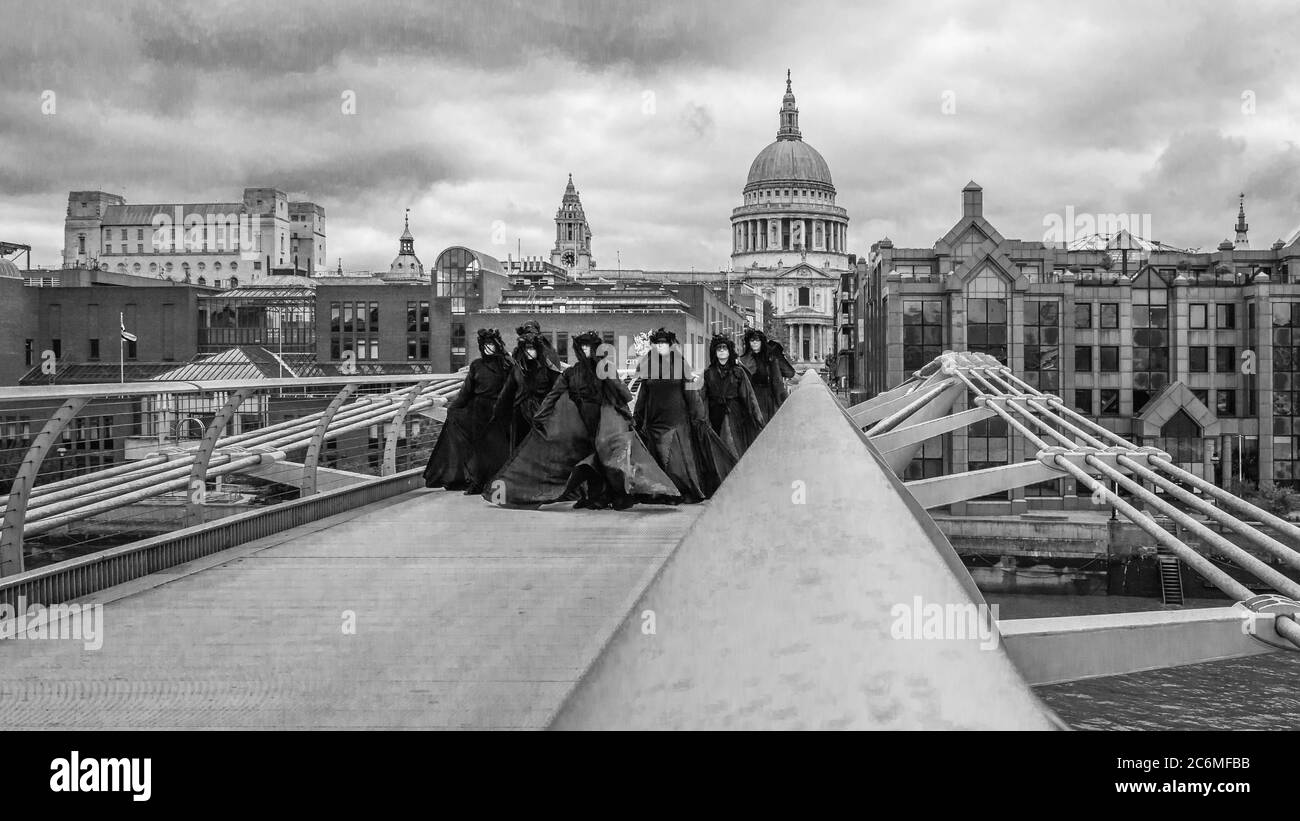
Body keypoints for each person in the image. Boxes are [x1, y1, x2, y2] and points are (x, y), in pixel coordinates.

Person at [484, 330, 679, 509]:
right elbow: (554, 395)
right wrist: (540, 416)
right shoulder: (571, 373)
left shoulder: (604, 368)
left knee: (609, 458)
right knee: (588, 459)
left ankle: (620, 495)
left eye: (589, 346)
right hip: (582, 423)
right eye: (582, 347)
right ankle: (596, 496)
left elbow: (623, 394)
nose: (586, 350)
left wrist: (625, 411)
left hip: (605, 421)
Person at [633, 328, 737, 502]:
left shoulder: (680, 364)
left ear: (670, 345)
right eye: (657, 343)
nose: (660, 347)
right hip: (654, 420)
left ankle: (679, 491)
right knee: (657, 457)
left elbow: (691, 392)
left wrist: (699, 416)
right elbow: (644, 393)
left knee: (674, 460)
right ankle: (661, 492)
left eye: (664, 343)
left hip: (676, 420)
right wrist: (637, 417)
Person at [423, 328, 513, 494]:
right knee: (478, 449)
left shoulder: (506, 364)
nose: (488, 348)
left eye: (492, 344)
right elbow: (466, 392)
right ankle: (476, 483)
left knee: (497, 449)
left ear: (497, 345)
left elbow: (514, 387)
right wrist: (454, 409)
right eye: (485, 345)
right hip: (477, 412)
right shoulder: (476, 365)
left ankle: (495, 483)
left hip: (499, 411)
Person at [496, 330, 563, 452]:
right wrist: (499, 413)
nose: (529, 352)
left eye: (532, 348)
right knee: (519, 451)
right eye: (527, 349)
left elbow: (558, 389)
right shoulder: (517, 370)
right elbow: (506, 394)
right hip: (520, 417)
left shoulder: (547, 369)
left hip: (541, 416)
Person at [702, 333, 767, 457]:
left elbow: (749, 396)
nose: (721, 351)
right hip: (714, 414)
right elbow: (702, 398)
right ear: (714, 352)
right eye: (718, 348)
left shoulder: (738, 372)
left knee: (734, 446)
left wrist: (758, 418)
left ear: (729, 351)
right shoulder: (708, 373)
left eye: (724, 348)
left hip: (735, 415)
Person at [739, 327, 796, 421]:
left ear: (762, 342)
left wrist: (783, 400)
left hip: (768, 398)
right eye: (752, 340)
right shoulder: (743, 361)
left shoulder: (770, 358)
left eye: (757, 340)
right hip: (751, 398)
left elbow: (777, 381)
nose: (755, 343)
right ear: (748, 342)